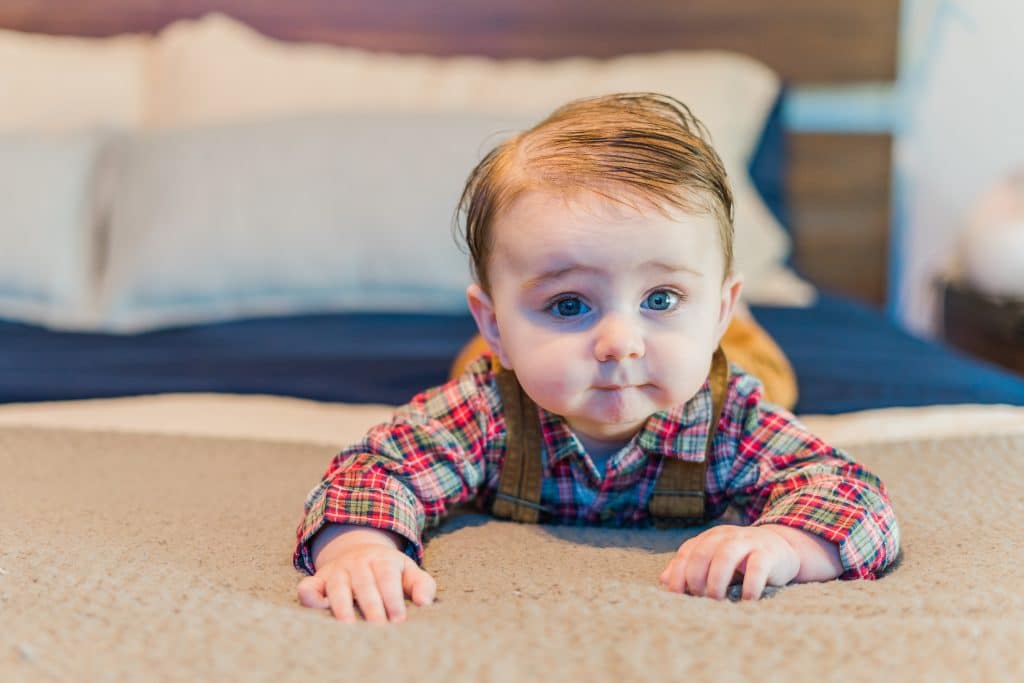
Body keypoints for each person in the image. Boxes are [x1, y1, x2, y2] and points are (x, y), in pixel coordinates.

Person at [293, 92, 900, 624]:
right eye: (568, 304)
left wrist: (786, 542)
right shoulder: (485, 412)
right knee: (481, 371)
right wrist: (360, 549)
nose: (620, 342)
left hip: (725, 355)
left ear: (717, 307)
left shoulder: (732, 419)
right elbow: (376, 470)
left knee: (766, 374)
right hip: (508, 365)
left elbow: (853, 497)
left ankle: (721, 326)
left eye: (660, 297)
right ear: (496, 322)